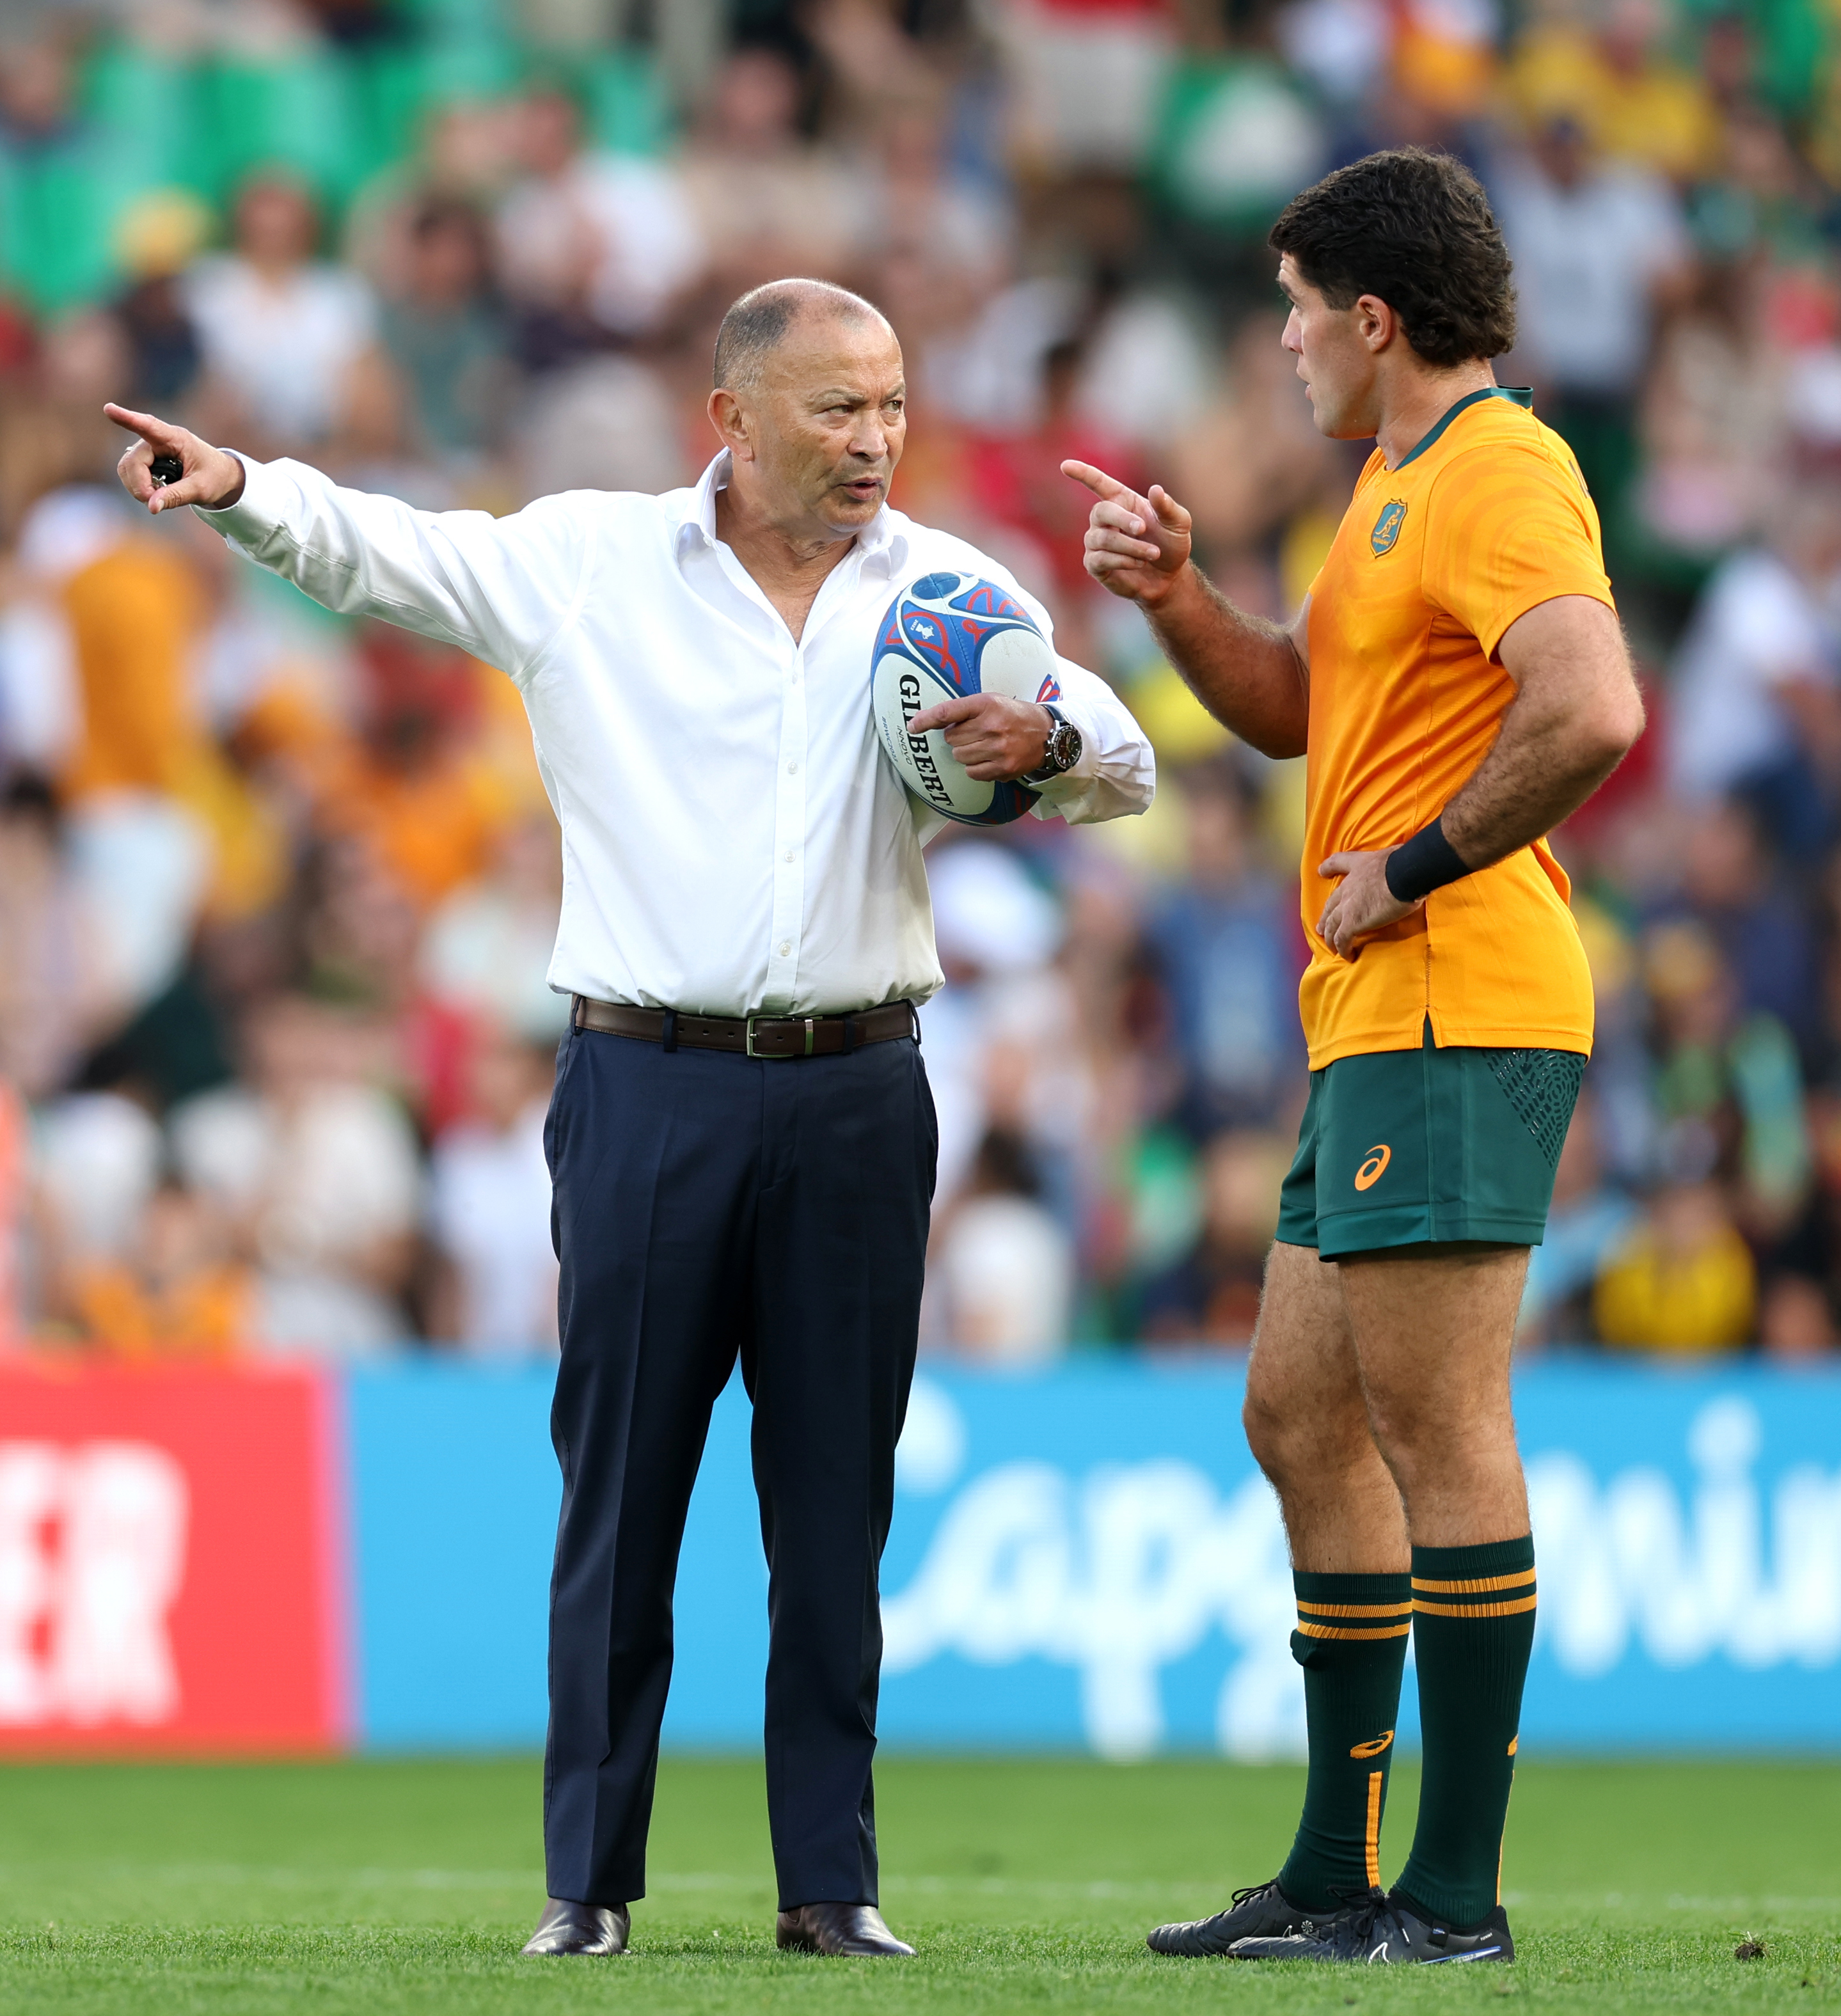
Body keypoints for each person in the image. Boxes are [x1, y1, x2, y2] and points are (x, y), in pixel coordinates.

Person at [105, 277, 1154, 1960]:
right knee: (623, 1493)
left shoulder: (947, 590)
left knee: (835, 1503)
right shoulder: (590, 562)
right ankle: (585, 1886)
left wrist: (1046, 736)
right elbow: (397, 553)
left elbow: (1125, 759)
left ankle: (833, 1887)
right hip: (644, 1081)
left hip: (861, 1087)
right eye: (836, 407)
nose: (875, 437)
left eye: (889, 404)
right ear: (730, 420)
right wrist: (245, 491)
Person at [1072, 148, 1644, 1966]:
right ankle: (1334, 1876)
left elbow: (1593, 704)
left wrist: (1409, 866)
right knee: (1299, 1415)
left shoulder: (1499, 470)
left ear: (1372, 317)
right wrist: (1175, 601)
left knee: (1435, 1423)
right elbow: (1306, 718)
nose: (1286, 342)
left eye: (1296, 308)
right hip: (1377, 1024)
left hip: (1457, 996)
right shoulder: (1392, 489)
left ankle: (1451, 1897)